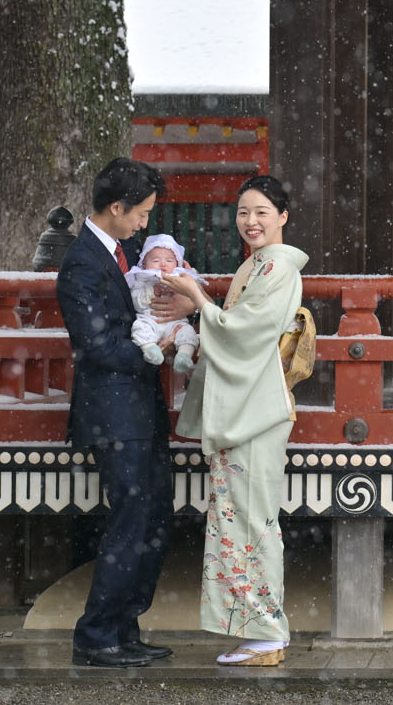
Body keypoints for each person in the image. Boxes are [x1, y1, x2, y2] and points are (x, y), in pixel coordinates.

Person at [153, 174, 307, 668]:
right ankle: (255, 630)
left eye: (262, 212)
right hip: (247, 406)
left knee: (251, 518)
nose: (251, 221)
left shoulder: (278, 267)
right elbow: (236, 329)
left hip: (256, 411)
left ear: (283, 216)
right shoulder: (258, 264)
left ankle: (266, 633)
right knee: (238, 517)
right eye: (243, 212)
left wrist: (199, 302)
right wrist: (198, 307)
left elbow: (247, 333)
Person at [55, 157, 174, 669]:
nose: (145, 223)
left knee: (153, 518)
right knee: (130, 520)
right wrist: (155, 352)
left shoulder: (118, 255)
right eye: (141, 213)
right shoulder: (83, 261)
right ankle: (97, 634)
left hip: (137, 409)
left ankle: (124, 628)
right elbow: (95, 344)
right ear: (117, 207)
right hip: (114, 411)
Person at [127, 234, 200, 376]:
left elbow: (195, 294)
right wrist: (149, 292)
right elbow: (135, 302)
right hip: (150, 319)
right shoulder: (140, 279)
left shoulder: (181, 278)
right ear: (144, 264)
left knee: (187, 332)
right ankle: (150, 349)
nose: (163, 264)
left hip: (176, 323)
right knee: (140, 328)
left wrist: (182, 290)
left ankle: (184, 356)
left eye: (169, 260)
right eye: (155, 260)